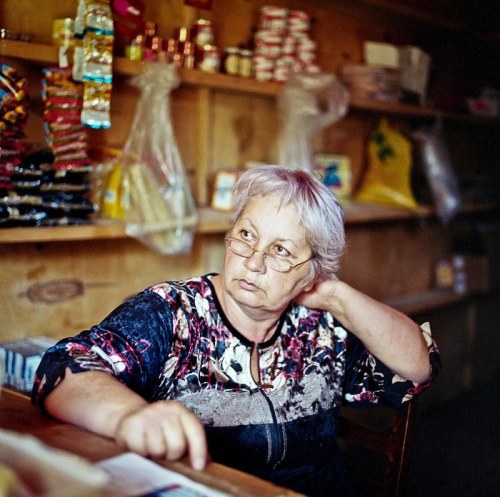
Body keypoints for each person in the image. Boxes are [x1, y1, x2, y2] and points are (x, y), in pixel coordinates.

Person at [32, 165, 440, 497]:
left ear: (312, 271)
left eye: (281, 250)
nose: (254, 261)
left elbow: (418, 367)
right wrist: (129, 416)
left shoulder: (321, 329)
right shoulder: (174, 312)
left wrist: (334, 295)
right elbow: (64, 365)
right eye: (246, 236)